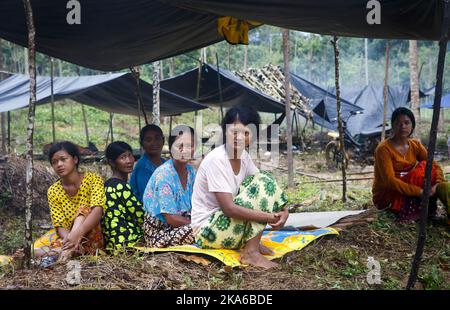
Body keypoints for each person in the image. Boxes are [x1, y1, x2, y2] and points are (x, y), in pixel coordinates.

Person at [191, 105, 289, 269]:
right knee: (262, 183)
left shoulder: (243, 156)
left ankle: (252, 245)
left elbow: (263, 186)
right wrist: (269, 217)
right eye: (234, 132)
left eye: (246, 133)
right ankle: (251, 253)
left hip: (227, 227)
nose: (239, 138)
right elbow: (229, 209)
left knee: (265, 180)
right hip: (208, 232)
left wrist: (284, 211)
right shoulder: (217, 159)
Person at [373, 107, 449, 224]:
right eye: (398, 123)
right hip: (389, 194)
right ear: (392, 126)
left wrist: (438, 183)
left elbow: (433, 165)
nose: (402, 126)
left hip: (408, 190)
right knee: (422, 170)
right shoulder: (383, 149)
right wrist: (420, 192)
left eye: (406, 123)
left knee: (429, 167)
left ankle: (430, 211)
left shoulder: (415, 145)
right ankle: (415, 211)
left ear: (412, 126)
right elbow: (390, 181)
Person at [34, 141, 106, 261]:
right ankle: (67, 251)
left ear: (75, 159)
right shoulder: (53, 190)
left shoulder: (93, 179)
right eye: (54, 162)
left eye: (63, 159)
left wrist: (77, 235)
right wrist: (71, 240)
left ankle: (64, 253)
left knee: (83, 209)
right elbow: (60, 224)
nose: (59, 164)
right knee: (37, 249)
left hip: (92, 236)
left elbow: (97, 211)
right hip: (68, 240)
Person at [143, 125, 196, 248]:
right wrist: (198, 224)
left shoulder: (192, 172)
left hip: (182, 225)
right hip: (159, 234)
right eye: (180, 146)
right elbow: (170, 218)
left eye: (189, 146)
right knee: (201, 231)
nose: (185, 150)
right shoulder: (164, 175)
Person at [102, 141, 145, 252]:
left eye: (130, 155)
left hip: (112, 244)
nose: (129, 161)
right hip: (128, 242)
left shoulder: (107, 184)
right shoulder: (121, 186)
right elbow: (141, 216)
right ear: (112, 162)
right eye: (123, 157)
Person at [129, 124, 165, 203]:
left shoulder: (166, 164)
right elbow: (147, 199)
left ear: (163, 140)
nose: (153, 143)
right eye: (148, 140)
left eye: (157, 138)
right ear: (142, 143)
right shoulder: (142, 167)